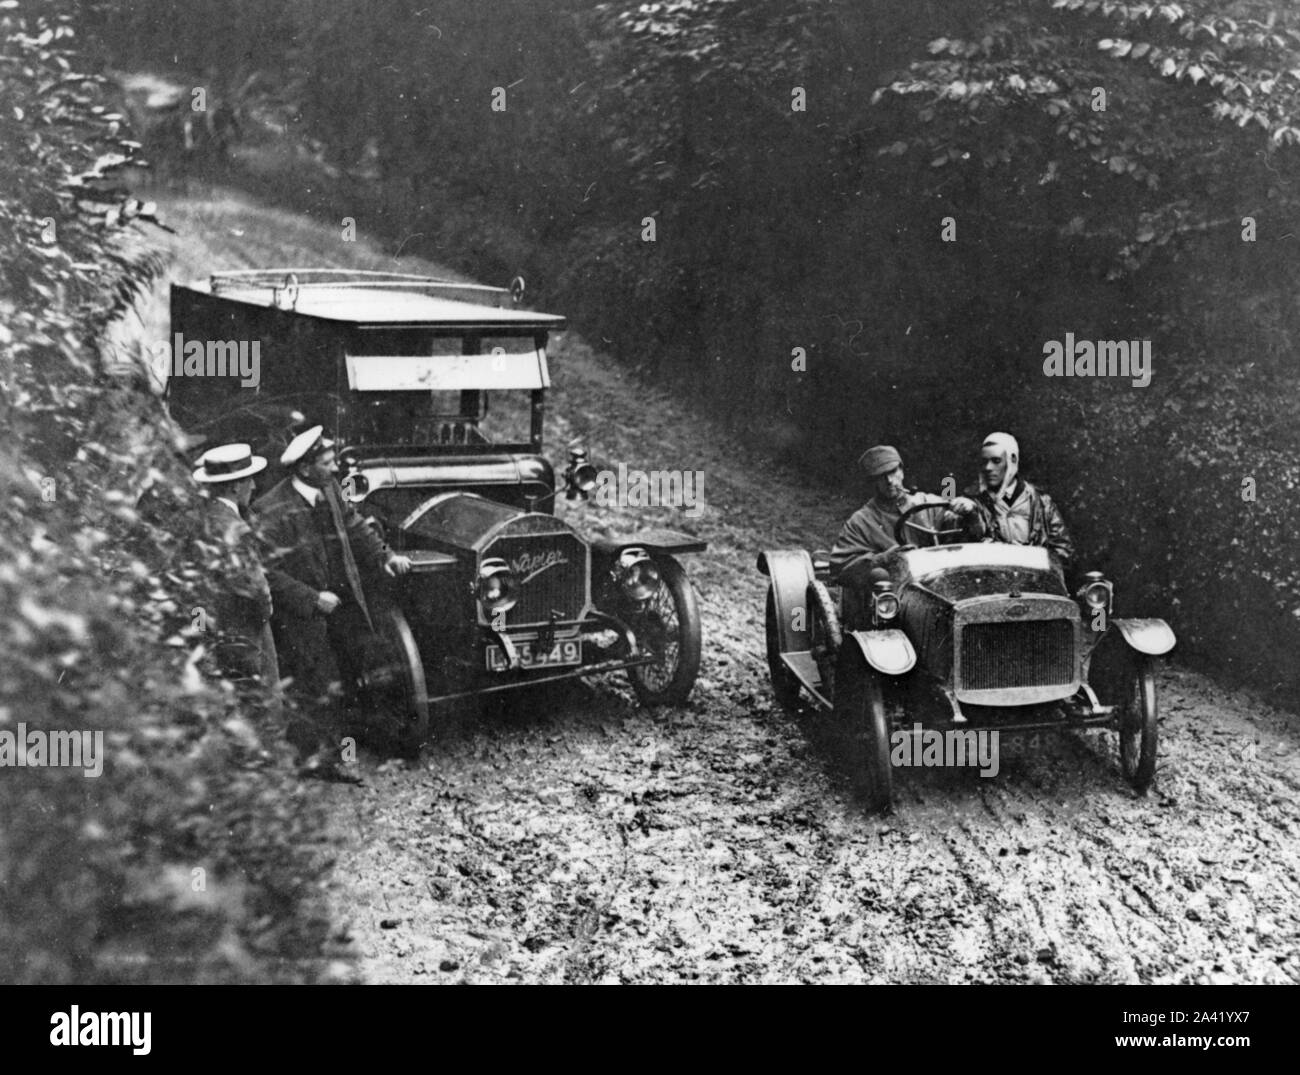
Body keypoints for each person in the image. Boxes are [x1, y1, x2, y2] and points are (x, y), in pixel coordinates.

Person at [252, 425, 412, 782]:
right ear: (306, 468)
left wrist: (385, 555)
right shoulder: (270, 510)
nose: (335, 468)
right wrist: (312, 599)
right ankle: (314, 762)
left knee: (349, 672)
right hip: (301, 616)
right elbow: (266, 572)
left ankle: (344, 751)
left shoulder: (330, 490)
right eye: (327, 462)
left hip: (342, 603)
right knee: (313, 682)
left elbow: (355, 526)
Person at [192, 443, 280, 695]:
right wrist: (263, 615)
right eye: (249, 480)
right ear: (234, 485)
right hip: (245, 631)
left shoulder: (203, 517)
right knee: (265, 703)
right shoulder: (235, 528)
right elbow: (258, 591)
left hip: (210, 625)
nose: (253, 486)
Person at [829, 444, 978, 590]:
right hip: (892, 598)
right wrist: (883, 559)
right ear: (872, 481)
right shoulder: (861, 522)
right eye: (881, 476)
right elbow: (840, 571)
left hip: (938, 586)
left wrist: (971, 512)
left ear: (902, 471)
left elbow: (968, 534)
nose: (889, 481)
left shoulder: (929, 504)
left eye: (893, 471)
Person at [968, 432, 1074, 565]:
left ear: (1012, 460)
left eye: (996, 461)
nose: (988, 468)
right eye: (984, 462)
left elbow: (1063, 551)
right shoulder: (975, 502)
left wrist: (1029, 557)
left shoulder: (1042, 503)